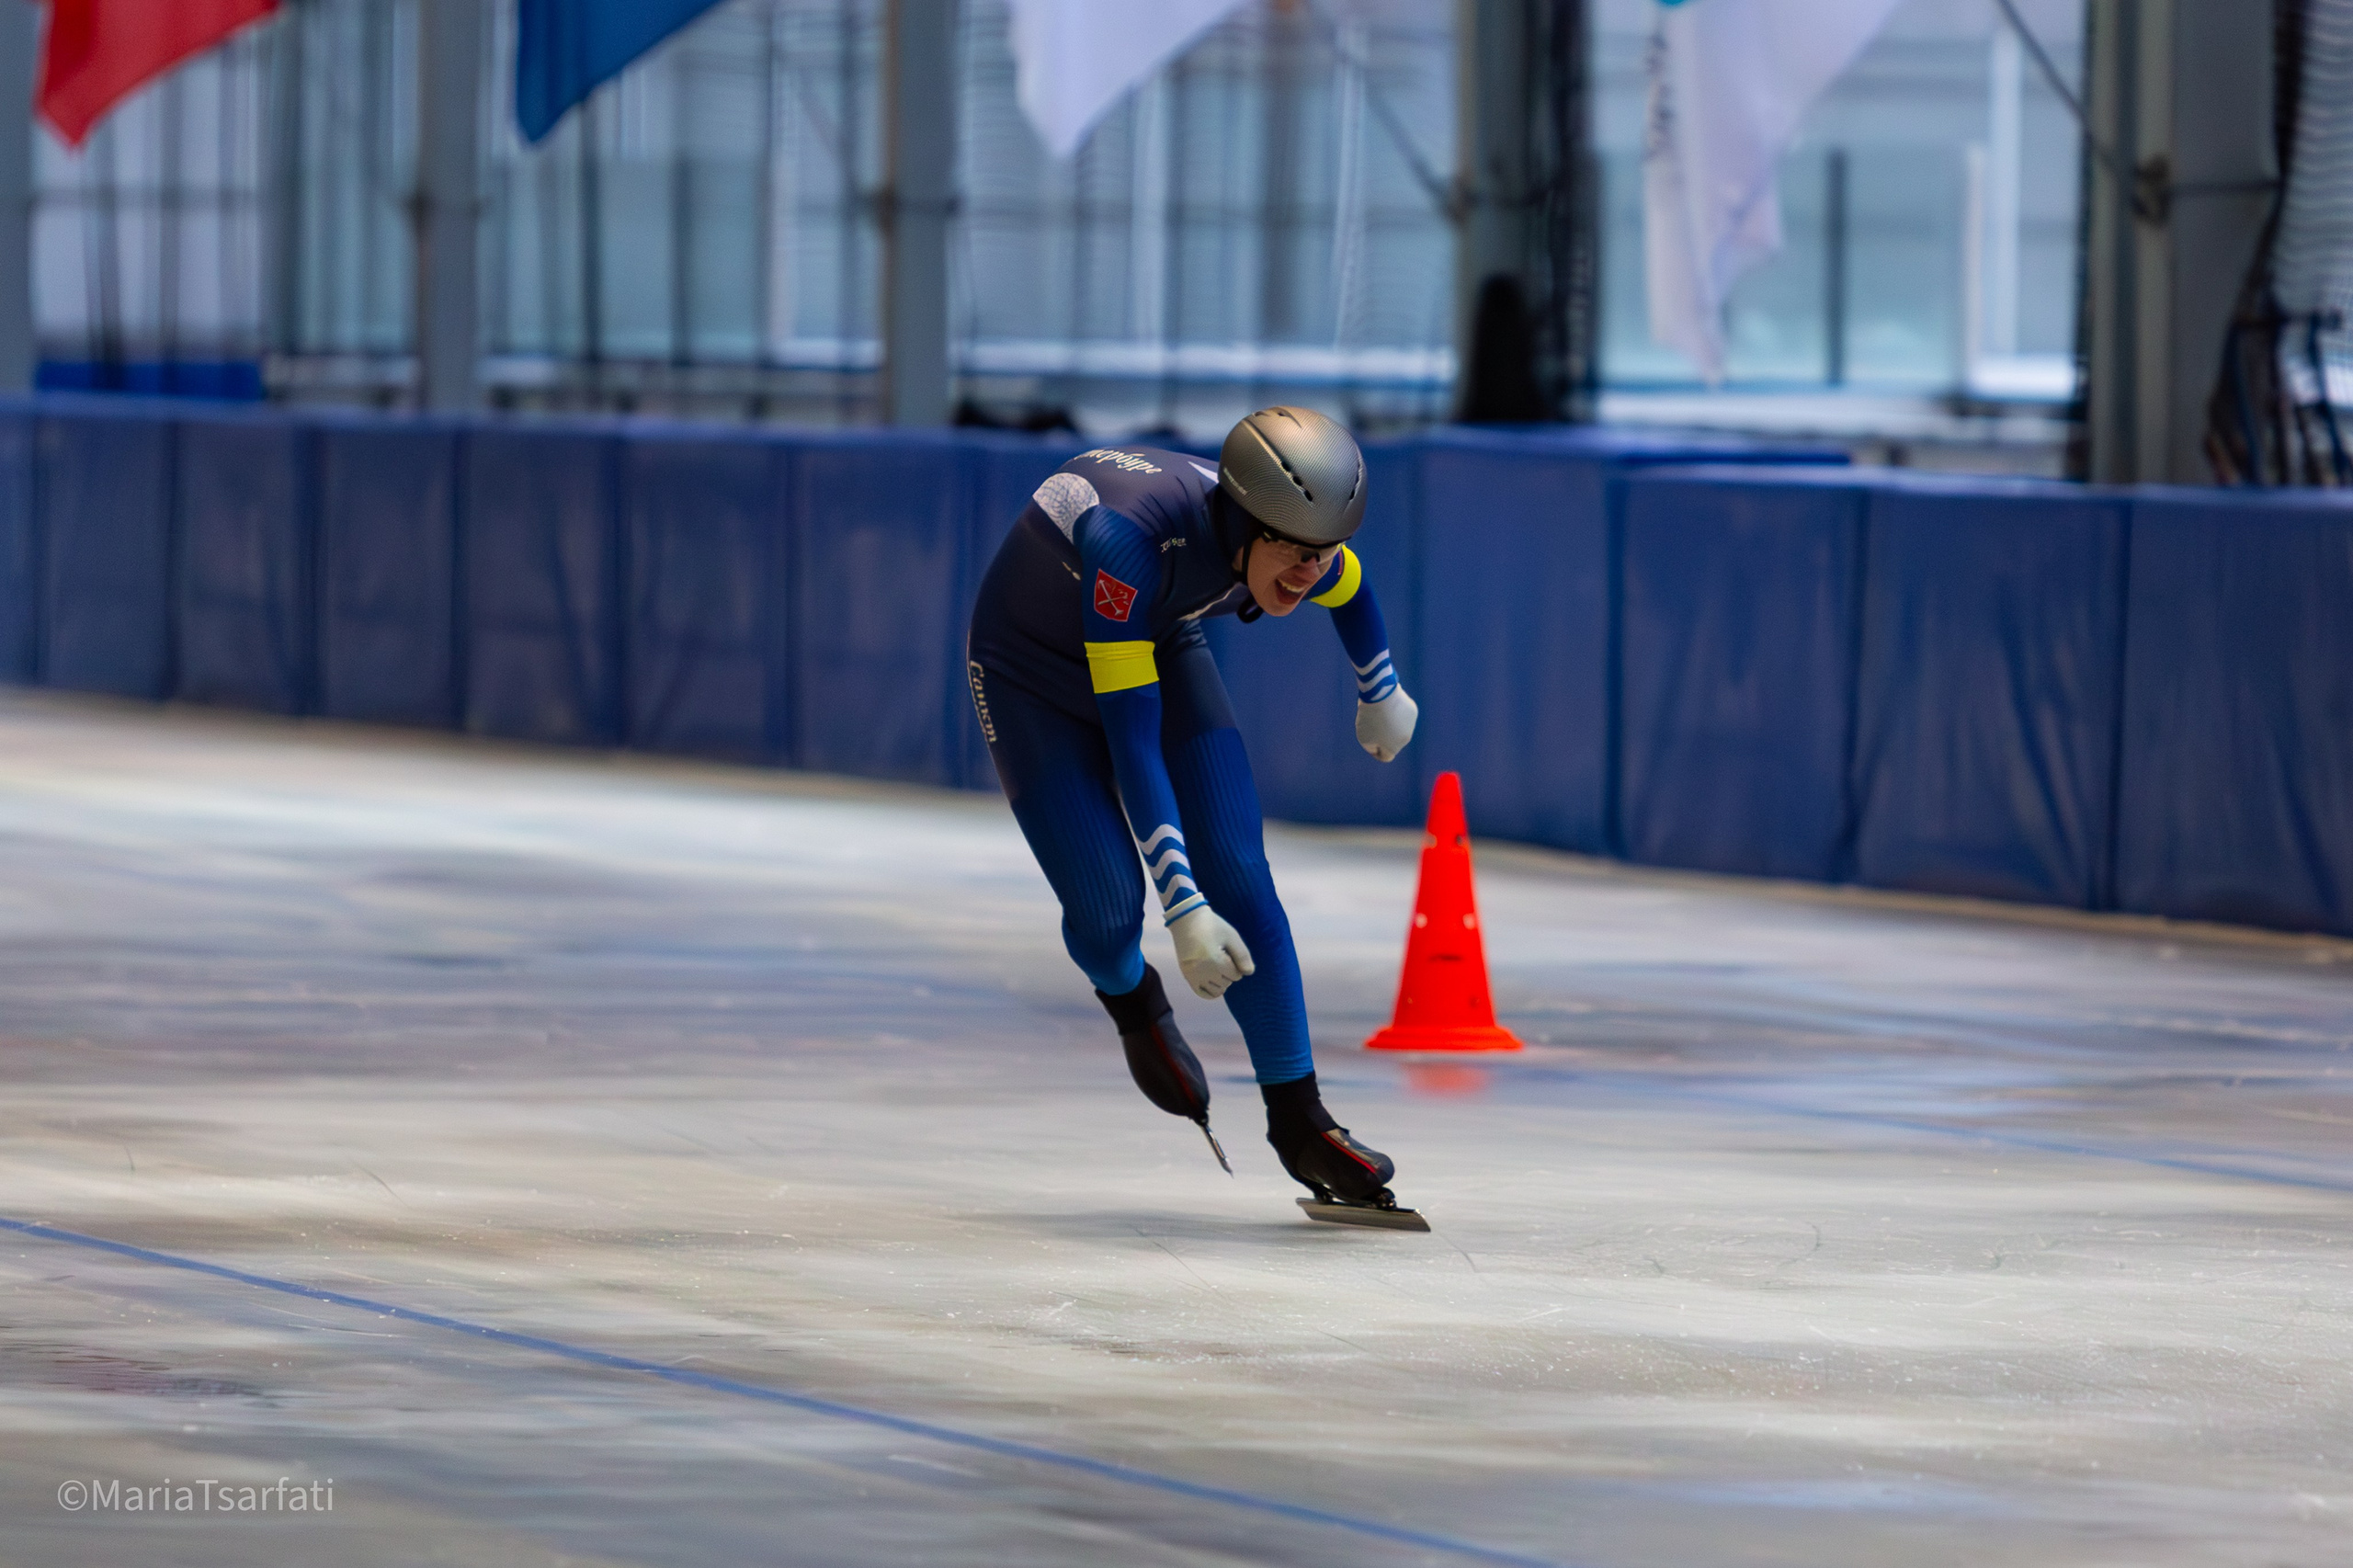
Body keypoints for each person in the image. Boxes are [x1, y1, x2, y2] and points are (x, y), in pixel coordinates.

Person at [966, 406, 1421, 1212]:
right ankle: (1130, 999)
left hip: (1159, 638)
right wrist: (1181, 909)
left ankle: (1300, 1118)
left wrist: (1379, 688)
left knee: (1242, 874)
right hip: (1027, 673)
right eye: (1293, 554)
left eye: (1322, 554)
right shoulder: (1128, 545)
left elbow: (1352, 587)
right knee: (1109, 914)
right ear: (1242, 524)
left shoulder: (1290, 538)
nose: (1308, 574)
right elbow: (1132, 741)